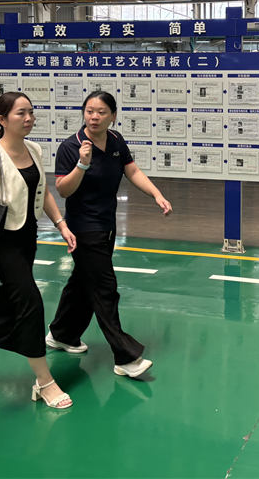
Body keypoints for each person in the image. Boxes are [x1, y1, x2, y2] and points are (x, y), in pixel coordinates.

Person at [0, 91, 78, 409]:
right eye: (21, 113)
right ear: (2, 119)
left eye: (31, 112)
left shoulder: (34, 149)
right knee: (30, 303)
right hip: (1, 243)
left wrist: (61, 225)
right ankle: (44, 382)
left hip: (27, 237)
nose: (29, 118)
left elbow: (43, 192)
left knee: (3, 300)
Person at [47, 91, 172, 378]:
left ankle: (61, 334)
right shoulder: (71, 146)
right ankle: (125, 357)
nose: (94, 117)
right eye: (89, 111)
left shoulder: (115, 141)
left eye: (101, 112)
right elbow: (63, 190)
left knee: (82, 283)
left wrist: (156, 194)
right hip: (83, 228)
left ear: (113, 116)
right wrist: (82, 164)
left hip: (107, 224)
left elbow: (132, 171)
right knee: (104, 289)